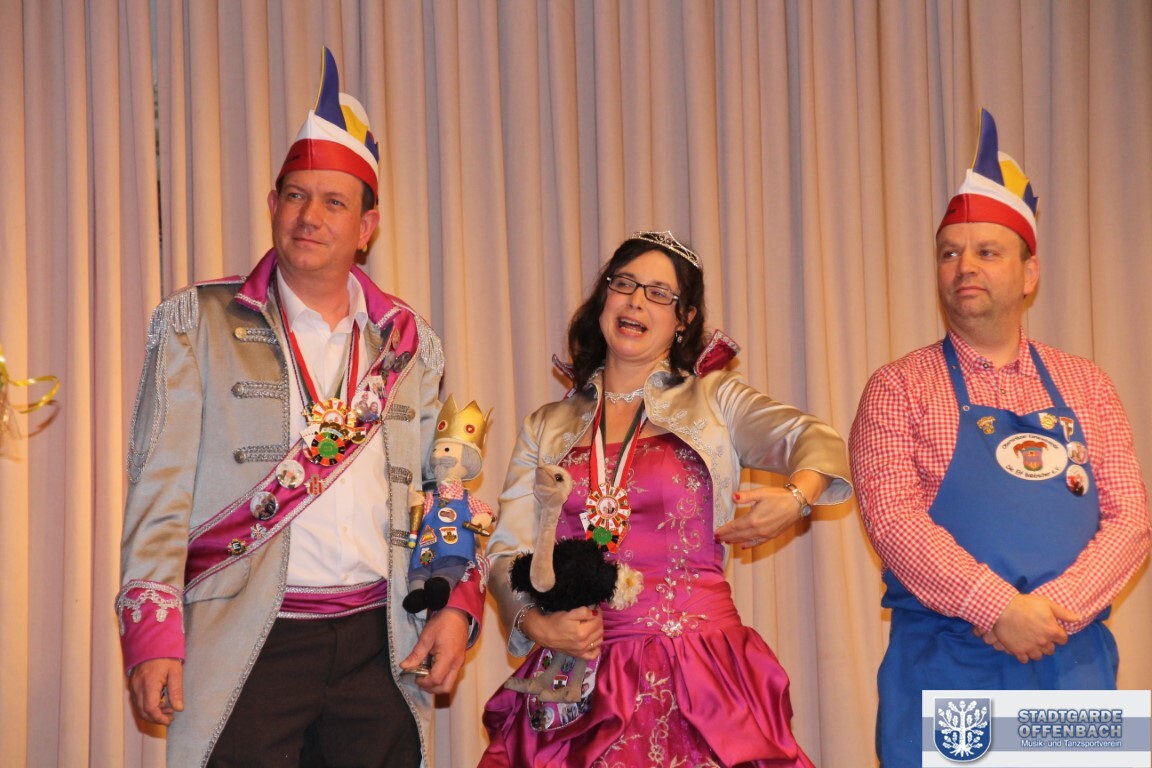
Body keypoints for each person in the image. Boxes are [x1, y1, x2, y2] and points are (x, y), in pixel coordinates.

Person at [115, 48, 484, 767]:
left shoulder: (411, 343)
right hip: (248, 640)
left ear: (368, 226)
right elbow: (158, 495)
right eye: (295, 196)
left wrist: (454, 605)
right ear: (272, 206)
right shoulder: (196, 324)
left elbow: (442, 489)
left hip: (379, 644)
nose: (309, 216)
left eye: (334, 202)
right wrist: (154, 636)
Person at [479, 231, 853, 767]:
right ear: (604, 298)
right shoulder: (548, 424)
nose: (636, 301)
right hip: (580, 666)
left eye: (659, 293)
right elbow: (507, 550)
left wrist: (796, 498)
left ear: (684, 318)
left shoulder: (714, 398)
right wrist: (534, 623)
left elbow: (816, 439)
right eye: (624, 284)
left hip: (697, 668)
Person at [849, 108, 1150, 767]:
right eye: (949, 253)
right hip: (947, 664)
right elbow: (894, 521)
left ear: (1029, 273)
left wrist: (1048, 614)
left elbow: (1131, 520)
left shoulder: (1088, 384)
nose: (964, 266)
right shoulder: (897, 387)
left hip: (1071, 662)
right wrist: (997, 609)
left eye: (987, 252)